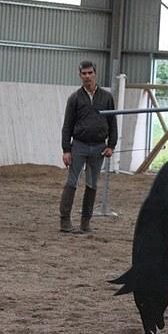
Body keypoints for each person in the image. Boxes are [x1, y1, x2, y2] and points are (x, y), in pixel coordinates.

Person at [59, 61, 117, 233]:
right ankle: (65, 220)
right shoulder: (74, 98)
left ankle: (86, 222)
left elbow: (112, 122)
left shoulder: (107, 97)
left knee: (92, 184)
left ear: (95, 73)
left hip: (99, 147)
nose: (87, 76)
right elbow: (67, 125)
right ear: (80, 75)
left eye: (90, 73)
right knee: (72, 182)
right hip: (79, 146)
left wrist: (111, 145)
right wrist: (66, 150)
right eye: (84, 73)